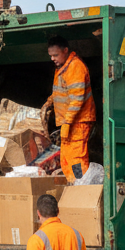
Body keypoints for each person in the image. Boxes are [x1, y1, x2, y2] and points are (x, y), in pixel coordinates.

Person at [41, 35, 96, 182]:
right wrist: (49, 102)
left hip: (79, 122)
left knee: (76, 158)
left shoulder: (75, 67)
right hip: (70, 123)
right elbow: (62, 91)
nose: (52, 58)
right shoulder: (63, 67)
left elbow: (77, 99)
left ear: (65, 50)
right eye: (51, 55)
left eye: (55, 55)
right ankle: (73, 184)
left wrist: (67, 123)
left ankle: (81, 187)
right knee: (66, 158)